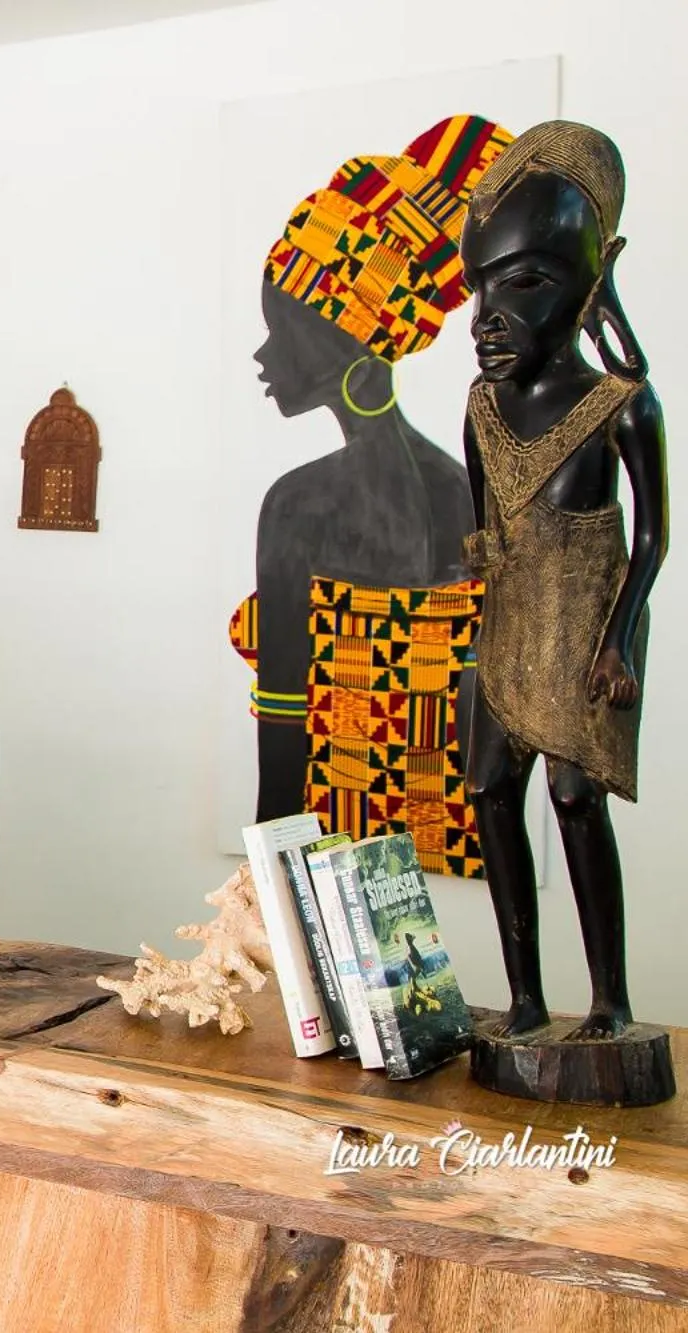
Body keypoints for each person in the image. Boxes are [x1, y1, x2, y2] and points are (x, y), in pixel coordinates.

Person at [456, 120, 668, 1040]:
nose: (489, 319)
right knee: (493, 791)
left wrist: (618, 638)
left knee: (576, 801)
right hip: (508, 632)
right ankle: (527, 998)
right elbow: (481, 534)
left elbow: (654, 537)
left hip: (585, 631)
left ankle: (610, 1002)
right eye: (482, 291)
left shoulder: (623, 406)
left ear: (590, 281)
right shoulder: (480, 409)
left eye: (527, 285)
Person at [240, 114, 511, 823]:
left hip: (324, 841)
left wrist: (262, 889)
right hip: (444, 827)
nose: (264, 359)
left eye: (282, 331)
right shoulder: (460, 487)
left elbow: (282, 730)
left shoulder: (295, 506)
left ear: (342, 347)